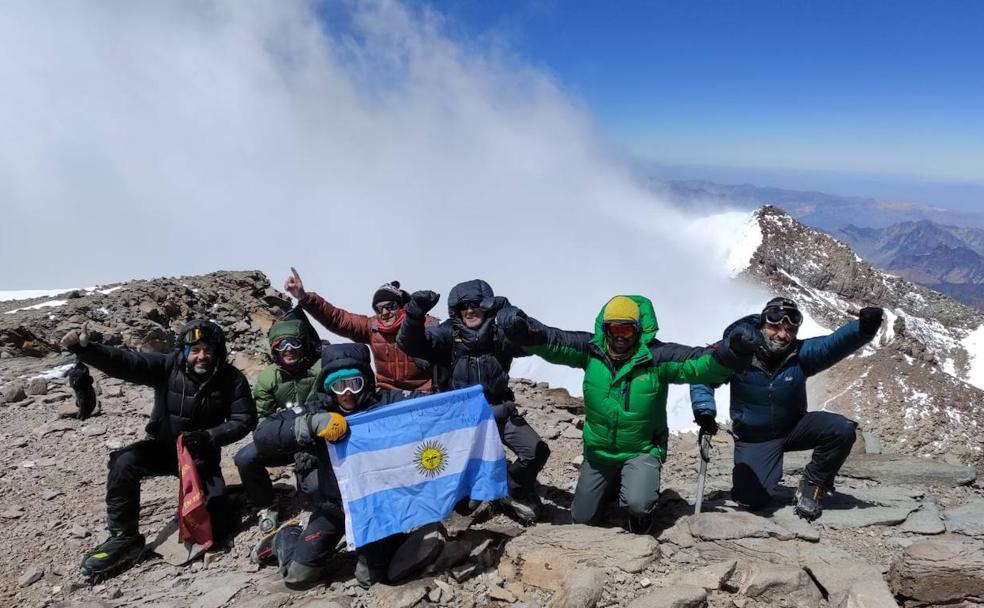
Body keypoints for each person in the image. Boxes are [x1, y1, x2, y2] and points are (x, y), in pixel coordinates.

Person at [522, 295, 760, 533]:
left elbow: (698, 364)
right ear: (605, 329)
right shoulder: (591, 351)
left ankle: (640, 512)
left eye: (626, 330)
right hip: (599, 452)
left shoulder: (656, 357)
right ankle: (612, 486)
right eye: (614, 329)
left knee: (638, 504)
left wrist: (731, 352)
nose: (619, 337)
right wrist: (525, 331)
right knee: (583, 518)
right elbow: (552, 341)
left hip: (641, 449)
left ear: (637, 329)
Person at [61, 320, 256, 580]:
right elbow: (127, 363)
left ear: (218, 351)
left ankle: (227, 497)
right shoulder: (167, 367)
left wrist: (210, 436)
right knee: (123, 462)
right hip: (163, 449)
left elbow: (244, 419)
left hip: (201, 457)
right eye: (195, 350)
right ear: (184, 350)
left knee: (219, 530)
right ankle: (124, 537)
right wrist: (87, 350)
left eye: (208, 350)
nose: (201, 356)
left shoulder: (232, 379)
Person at [250, 343, 440, 589]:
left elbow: (431, 405)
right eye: (338, 385)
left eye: (354, 383)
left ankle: (391, 540)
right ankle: (285, 537)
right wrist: (311, 425)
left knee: (368, 579)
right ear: (327, 387)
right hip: (333, 508)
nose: (347, 392)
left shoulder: (383, 402)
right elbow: (264, 434)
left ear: (366, 382)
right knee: (298, 577)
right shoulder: (317, 410)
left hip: (376, 507)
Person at [690, 297, 884, 520]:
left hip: (794, 427)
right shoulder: (737, 350)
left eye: (790, 330)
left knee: (841, 429)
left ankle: (813, 485)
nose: (782, 335)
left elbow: (833, 345)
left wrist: (863, 328)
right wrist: (704, 410)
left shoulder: (800, 354)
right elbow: (702, 375)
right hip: (755, 437)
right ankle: (755, 481)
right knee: (751, 500)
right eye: (775, 327)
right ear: (762, 324)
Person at [396, 279, 550, 523]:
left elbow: (535, 339)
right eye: (464, 306)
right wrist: (415, 314)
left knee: (536, 451)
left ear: (488, 306)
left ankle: (509, 488)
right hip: (462, 421)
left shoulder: (500, 334)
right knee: (465, 507)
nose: (470, 310)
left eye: (476, 304)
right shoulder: (447, 334)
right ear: (455, 311)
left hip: (499, 411)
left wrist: (512, 314)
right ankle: (475, 483)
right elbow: (410, 344)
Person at [234, 312, 321, 534]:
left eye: (294, 343)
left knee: (314, 488)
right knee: (245, 458)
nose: (288, 349)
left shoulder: (319, 370)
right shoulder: (267, 379)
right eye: (281, 345)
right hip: (284, 438)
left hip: (317, 438)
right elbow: (263, 421)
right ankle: (266, 504)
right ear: (274, 350)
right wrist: (284, 434)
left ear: (304, 345)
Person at [284, 268, 437, 391]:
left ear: (402, 306)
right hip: (388, 394)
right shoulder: (371, 327)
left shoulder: (424, 324)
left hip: (424, 394)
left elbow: (444, 339)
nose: (384, 312)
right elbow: (337, 318)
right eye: (378, 309)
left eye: (390, 306)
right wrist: (303, 297)